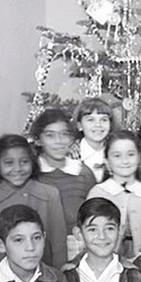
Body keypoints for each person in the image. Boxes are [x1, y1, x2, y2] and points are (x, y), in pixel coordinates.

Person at [0, 133, 67, 280]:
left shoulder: (50, 195)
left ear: (33, 162)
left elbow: (58, 248)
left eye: (24, 161)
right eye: (9, 163)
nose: (17, 168)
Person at [30, 109, 97, 261]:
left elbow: (94, 212)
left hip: (77, 246)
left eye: (64, 135)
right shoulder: (33, 174)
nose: (59, 141)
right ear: (38, 140)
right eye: (50, 135)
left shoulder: (82, 172)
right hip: (41, 247)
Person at [86, 131, 141, 259]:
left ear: (139, 158)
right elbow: (91, 231)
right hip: (104, 259)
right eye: (117, 156)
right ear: (107, 161)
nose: (125, 161)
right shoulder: (98, 192)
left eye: (130, 155)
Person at [69, 97, 114, 182]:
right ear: (80, 126)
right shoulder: (69, 155)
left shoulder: (117, 152)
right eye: (90, 120)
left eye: (104, 120)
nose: (98, 124)